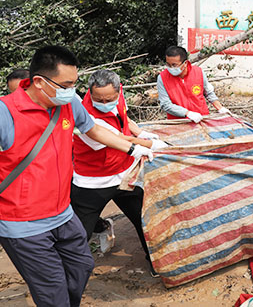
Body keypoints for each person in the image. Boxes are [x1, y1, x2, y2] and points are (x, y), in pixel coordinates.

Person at [0, 46, 153, 307]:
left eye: (74, 83)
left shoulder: (68, 103)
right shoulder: (5, 113)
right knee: (52, 289)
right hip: (24, 223)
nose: (72, 90)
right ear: (39, 82)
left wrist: (132, 148)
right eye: (66, 85)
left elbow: (93, 130)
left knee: (81, 266)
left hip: (62, 213)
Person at [72, 70, 167, 277]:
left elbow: (123, 116)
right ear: (90, 92)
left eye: (109, 99)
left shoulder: (117, 94)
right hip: (93, 181)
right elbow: (115, 139)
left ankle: (155, 262)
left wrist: (140, 132)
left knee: (144, 219)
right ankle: (69, 276)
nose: (104, 102)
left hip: (125, 174)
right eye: (98, 99)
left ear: (118, 90)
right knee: (79, 233)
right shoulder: (84, 115)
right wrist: (147, 144)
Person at [157, 46, 230, 122]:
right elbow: (165, 104)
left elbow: (208, 92)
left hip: (201, 118)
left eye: (174, 65)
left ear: (185, 63)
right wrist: (187, 113)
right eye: (168, 65)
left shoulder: (198, 72)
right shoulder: (162, 78)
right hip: (178, 122)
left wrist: (220, 108)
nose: (171, 68)